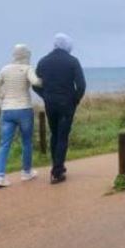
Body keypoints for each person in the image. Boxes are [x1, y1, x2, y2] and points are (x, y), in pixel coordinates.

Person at [32, 33, 86, 184]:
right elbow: (81, 85)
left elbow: (35, 84)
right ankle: (57, 171)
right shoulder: (72, 61)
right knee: (63, 136)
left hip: (50, 102)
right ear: (67, 45)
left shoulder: (43, 61)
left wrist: (45, 95)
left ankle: (58, 166)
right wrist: (75, 100)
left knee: (54, 134)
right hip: (66, 103)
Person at [0, 44, 42, 187]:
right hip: (24, 109)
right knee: (26, 142)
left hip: (7, 111)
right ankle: (26, 172)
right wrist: (43, 81)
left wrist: (3, 95)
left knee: (4, 144)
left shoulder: (5, 69)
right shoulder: (27, 68)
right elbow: (36, 81)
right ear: (26, 55)